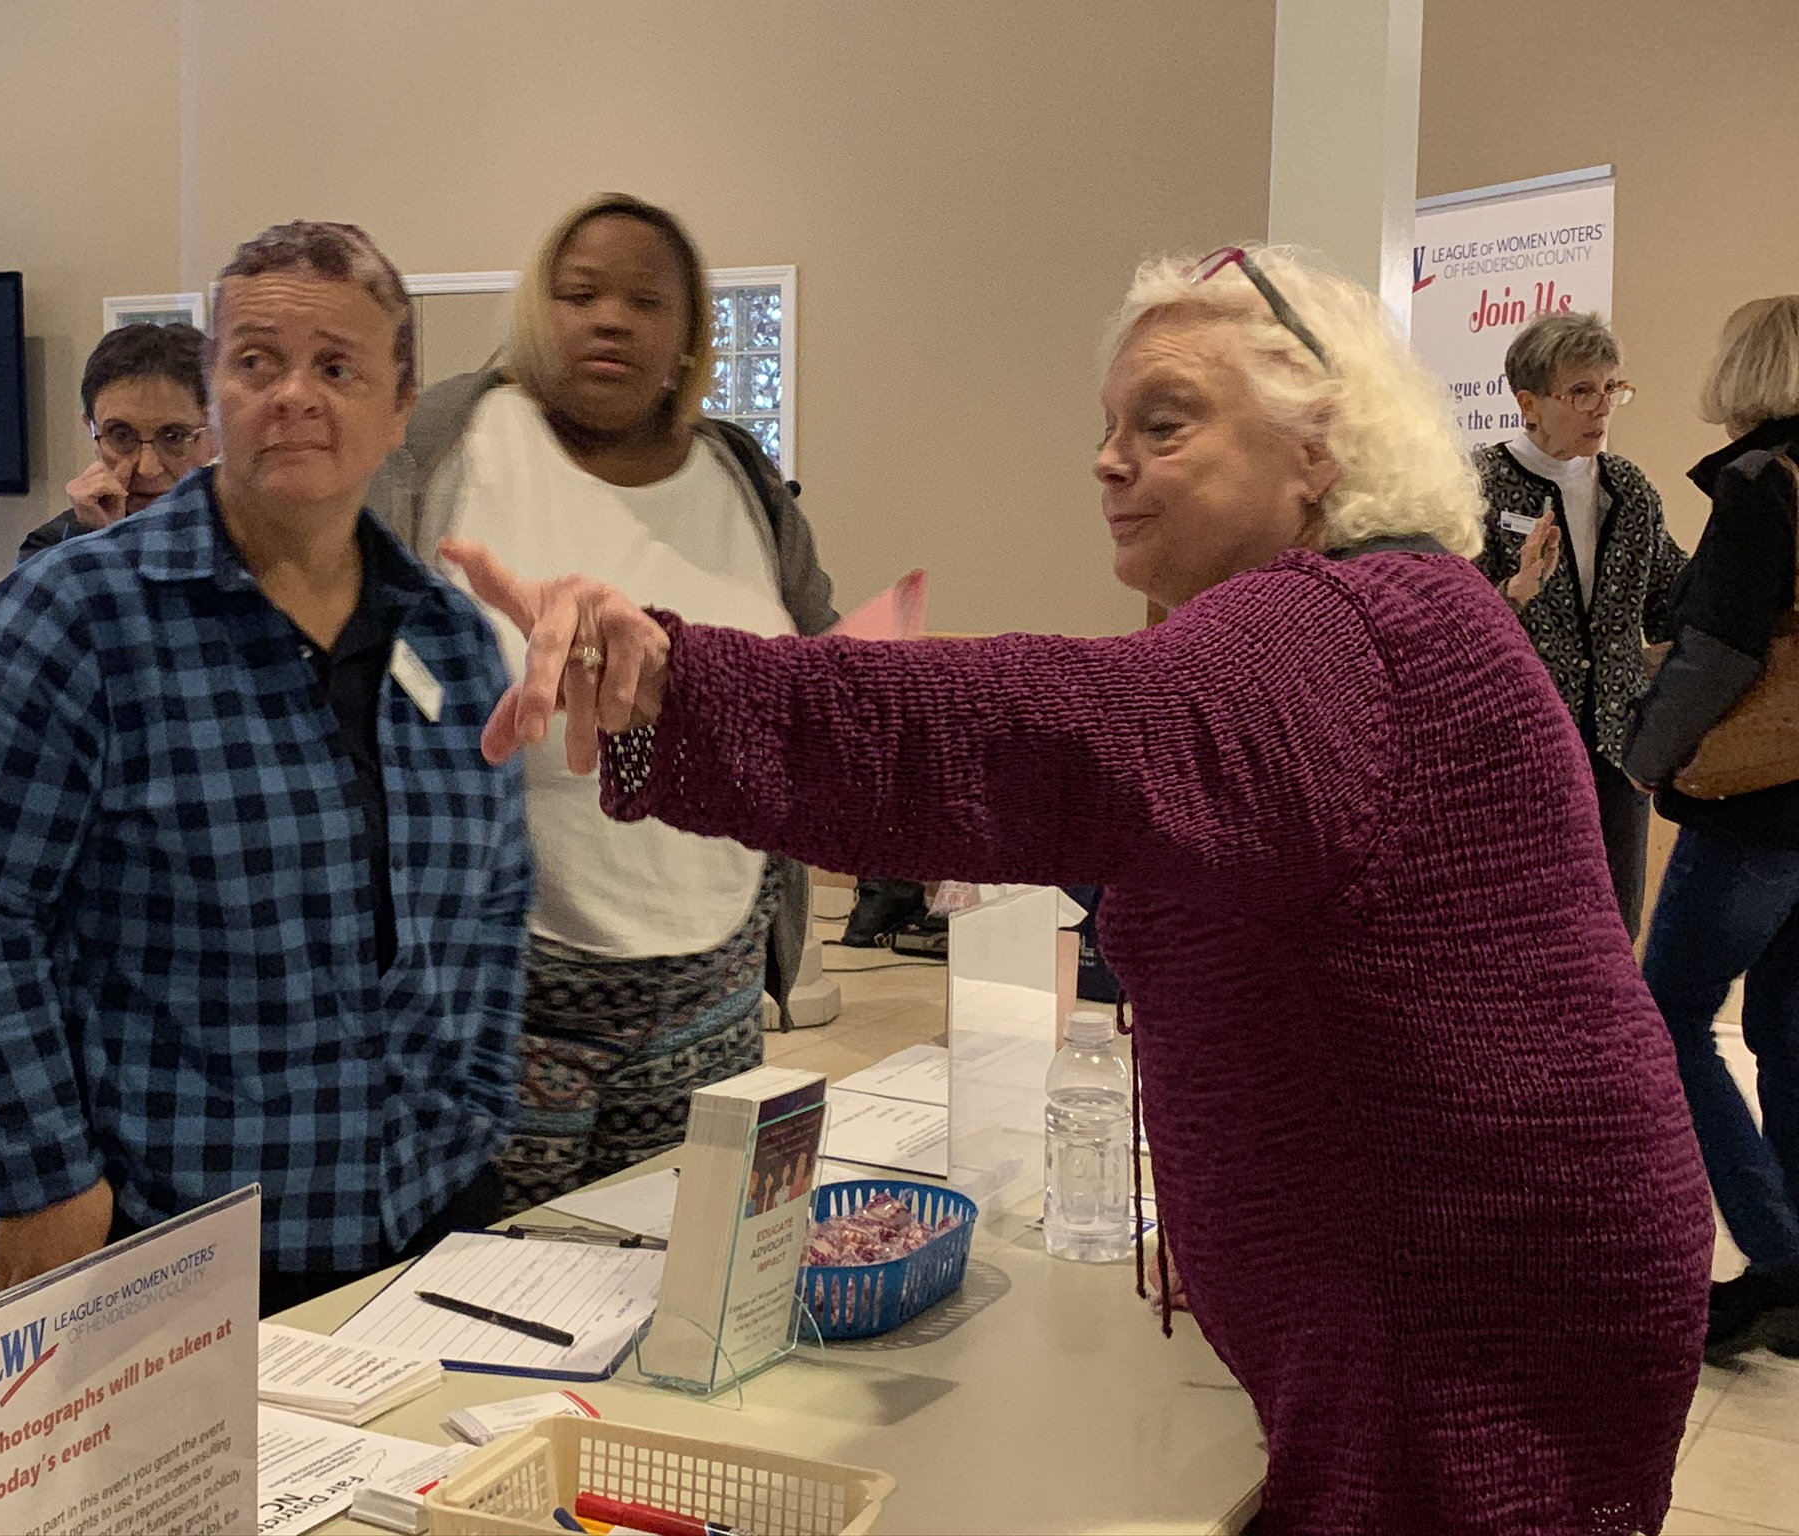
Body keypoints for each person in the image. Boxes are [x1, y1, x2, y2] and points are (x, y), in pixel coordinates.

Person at [445, 247, 1710, 1533]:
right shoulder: (1374, 616)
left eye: (1161, 425)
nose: (1108, 461)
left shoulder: (1337, 631)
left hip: (1464, 1302)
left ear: (1317, 449)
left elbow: (1039, 740)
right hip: (1480, 1257)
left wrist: (683, 682)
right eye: (1106, 429)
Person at [0, 221, 531, 1314]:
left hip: (419, 1219)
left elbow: (491, 905)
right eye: (255, 363)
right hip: (162, 1229)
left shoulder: (453, 643)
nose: (294, 395)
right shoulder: (73, 617)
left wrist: (477, 1120)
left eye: (337, 367)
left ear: (396, 406)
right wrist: (46, 1179)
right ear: (215, 397)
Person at [365, 193, 837, 1213]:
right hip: (503, 994)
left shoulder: (741, 477)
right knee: (484, 1300)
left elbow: (816, 672)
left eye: (643, 300)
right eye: (578, 293)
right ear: (538, 306)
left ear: (687, 335)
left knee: (676, 1286)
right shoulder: (446, 442)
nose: (609, 318)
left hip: (711, 988)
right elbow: (354, 658)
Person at [1626, 294, 1799, 1359]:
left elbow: (1718, 655)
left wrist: (1640, 755)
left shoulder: (1757, 485)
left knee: (1668, 1014)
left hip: (1754, 808)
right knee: (1785, 1036)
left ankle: (1776, 1256)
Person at [1473, 312, 1685, 934]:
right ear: (1529, 403)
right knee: (1525, 922)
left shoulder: (1629, 490)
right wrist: (1514, 591)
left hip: (1618, 749)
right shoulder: (1479, 484)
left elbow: (1674, 599)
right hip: (1522, 746)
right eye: (1582, 392)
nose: (1602, 408)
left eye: (1611, 389)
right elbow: (1447, 622)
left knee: (1614, 927)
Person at [17, 322, 214, 561]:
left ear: (215, 435)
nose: (147, 469)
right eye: (121, 436)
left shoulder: (253, 540)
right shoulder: (50, 548)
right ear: (92, 430)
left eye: (173, 437)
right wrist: (102, 540)